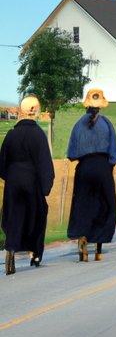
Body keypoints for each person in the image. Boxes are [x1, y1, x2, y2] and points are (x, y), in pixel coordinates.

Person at [0, 95, 55, 275]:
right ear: (36, 110)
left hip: (13, 183)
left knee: (14, 215)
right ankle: (36, 253)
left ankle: (11, 249)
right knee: (38, 214)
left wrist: (9, 178)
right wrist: (45, 186)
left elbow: (2, 164)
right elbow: (44, 163)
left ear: (21, 111)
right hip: (32, 182)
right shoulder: (38, 134)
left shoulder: (11, 134)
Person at [66, 88, 116, 262]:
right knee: (105, 204)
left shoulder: (77, 125)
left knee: (82, 204)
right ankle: (98, 244)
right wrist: (107, 166)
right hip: (102, 166)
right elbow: (114, 153)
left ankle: (82, 236)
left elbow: (71, 153)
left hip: (84, 168)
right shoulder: (106, 124)